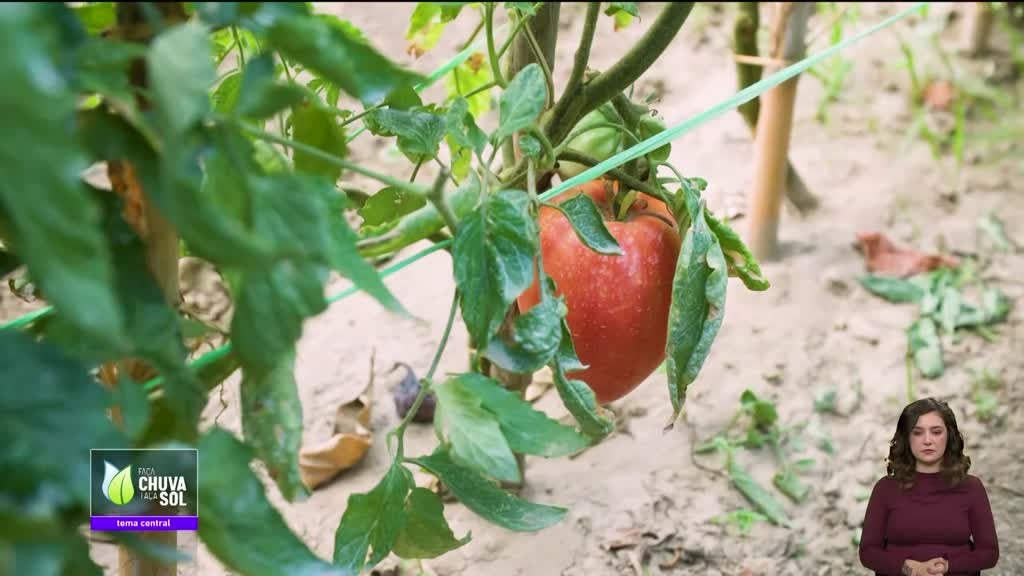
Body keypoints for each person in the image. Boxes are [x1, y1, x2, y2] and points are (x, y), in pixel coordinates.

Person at [859, 397, 999, 575]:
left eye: (936, 432)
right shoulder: (885, 489)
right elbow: (868, 552)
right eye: (917, 432)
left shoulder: (972, 487)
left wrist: (947, 567)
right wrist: (911, 569)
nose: (927, 440)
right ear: (906, 438)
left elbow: (989, 553)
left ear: (949, 436)